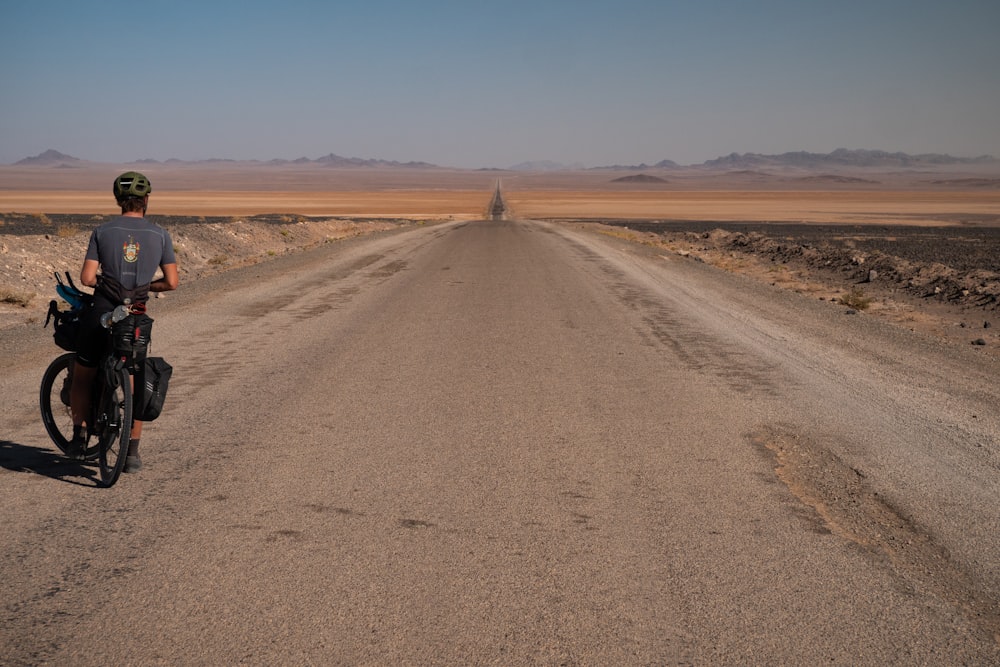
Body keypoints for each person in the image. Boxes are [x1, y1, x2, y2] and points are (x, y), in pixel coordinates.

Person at [66, 171, 179, 472]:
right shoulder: (160, 236)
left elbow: (87, 278)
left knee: (84, 374)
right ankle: (131, 454)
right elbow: (172, 282)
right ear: (146, 200)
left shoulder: (102, 232)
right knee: (134, 377)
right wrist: (145, 288)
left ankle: (79, 437)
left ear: (118, 199)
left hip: (102, 310)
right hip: (136, 314)